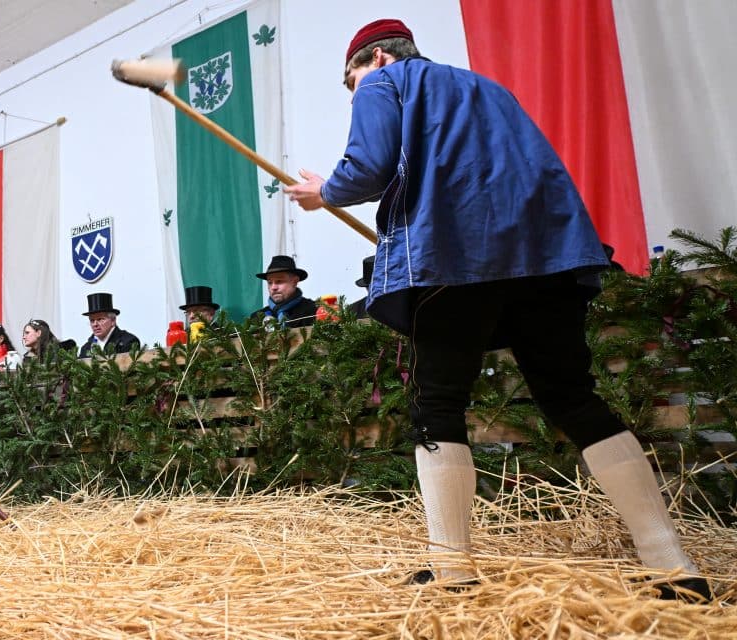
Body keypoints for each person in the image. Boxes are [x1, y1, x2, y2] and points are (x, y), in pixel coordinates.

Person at [283, 19, 708, 600]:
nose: (353, 92)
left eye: (350, 80)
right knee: (572, 396)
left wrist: (323, 193)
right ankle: (672, 563)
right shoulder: (487, 88)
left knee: (438, 404)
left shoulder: (387, 84)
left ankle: (452, 570)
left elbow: (370, 165)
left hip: (456, 258)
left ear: (378, 58)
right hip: (546, 258)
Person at [249, 256, 318, 328]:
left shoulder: (313, 311)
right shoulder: (256, 318)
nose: (273, 287)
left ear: (295, 282)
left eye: (279, 281)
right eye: (270, 283)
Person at [78, 293, 140, 358]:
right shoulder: (85, 348)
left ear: (113, 320)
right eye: (92, 321)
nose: (95, 324)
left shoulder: (128, 341)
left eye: (100, 319)